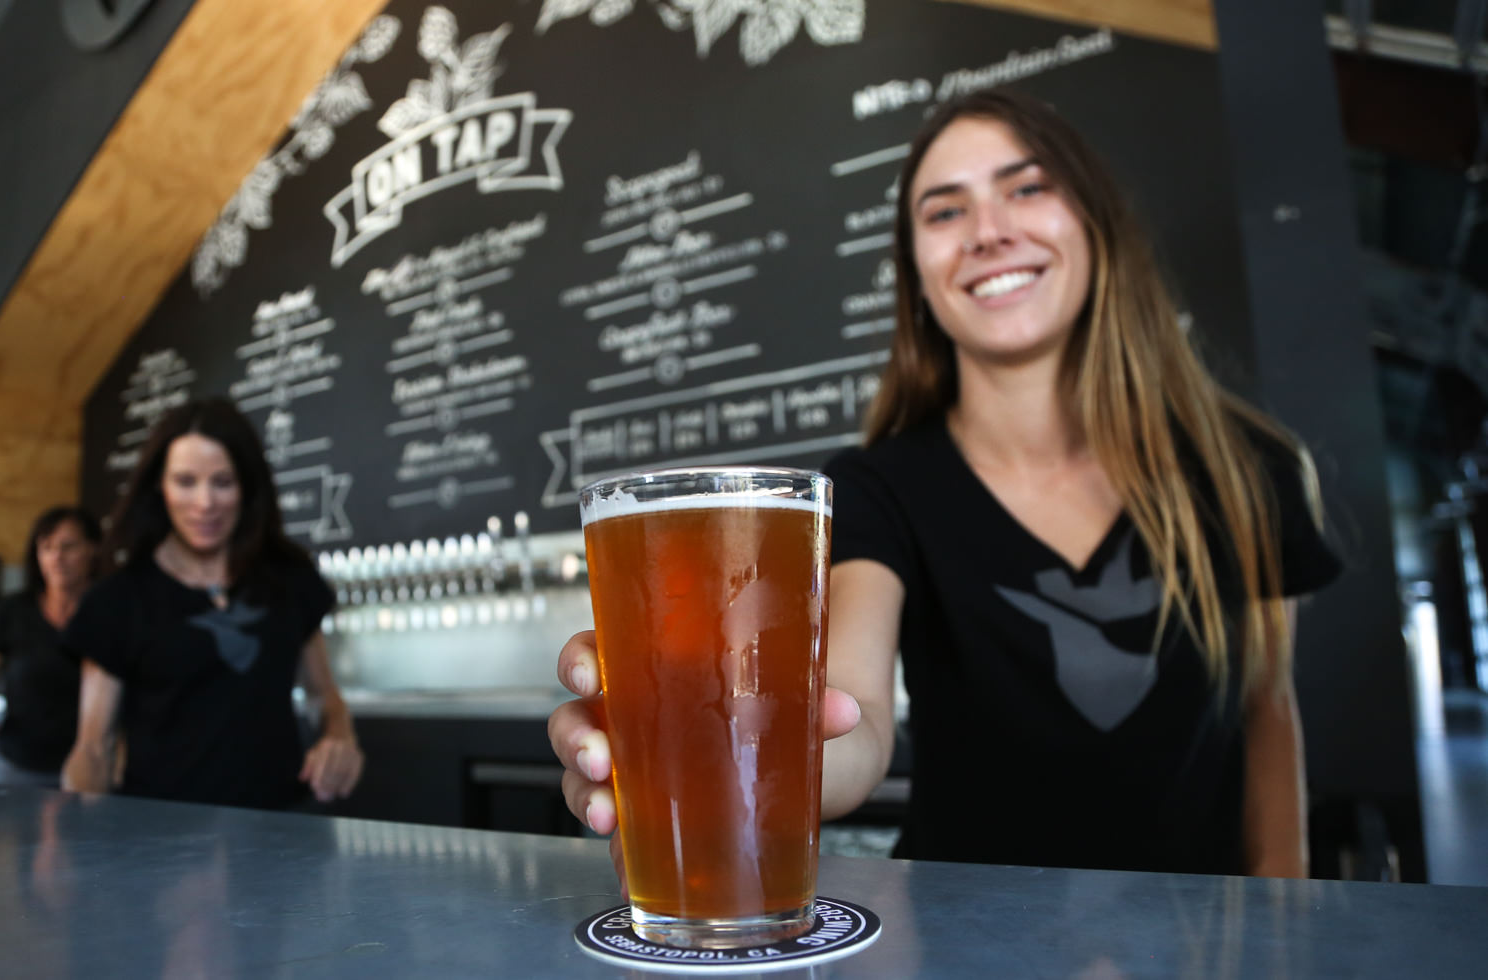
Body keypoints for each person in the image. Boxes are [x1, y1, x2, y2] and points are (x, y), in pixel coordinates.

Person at [548, 89, 1341, 878]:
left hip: (1194, 949)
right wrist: (709, 752)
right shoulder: (876, 488)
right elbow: (852, 719)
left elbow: (1267, 720)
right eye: (944, 212)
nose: (990, 232)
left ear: (1096, 223)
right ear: (916, 277)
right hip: (963, 948)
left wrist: (1284, 931)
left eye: (1027, 188)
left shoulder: (1247, 471)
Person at [60, 398, 364, 810]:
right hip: (164, 847)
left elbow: (324, 697)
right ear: (159, 487)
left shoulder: (288, 576)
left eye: (222, 482)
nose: (205, 503)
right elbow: (94, 748)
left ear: (247, 486)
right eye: (185, 482)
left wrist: (339, 737)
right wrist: (80, 842)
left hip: (280, 835)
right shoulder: (118, 600)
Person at [0, 506, 101, 787]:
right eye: (47, 547)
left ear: (93, 549)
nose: (57, 558)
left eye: (68, 546)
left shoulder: (113, 614)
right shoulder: (9, 613)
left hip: (93, 772)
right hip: (16, 766)